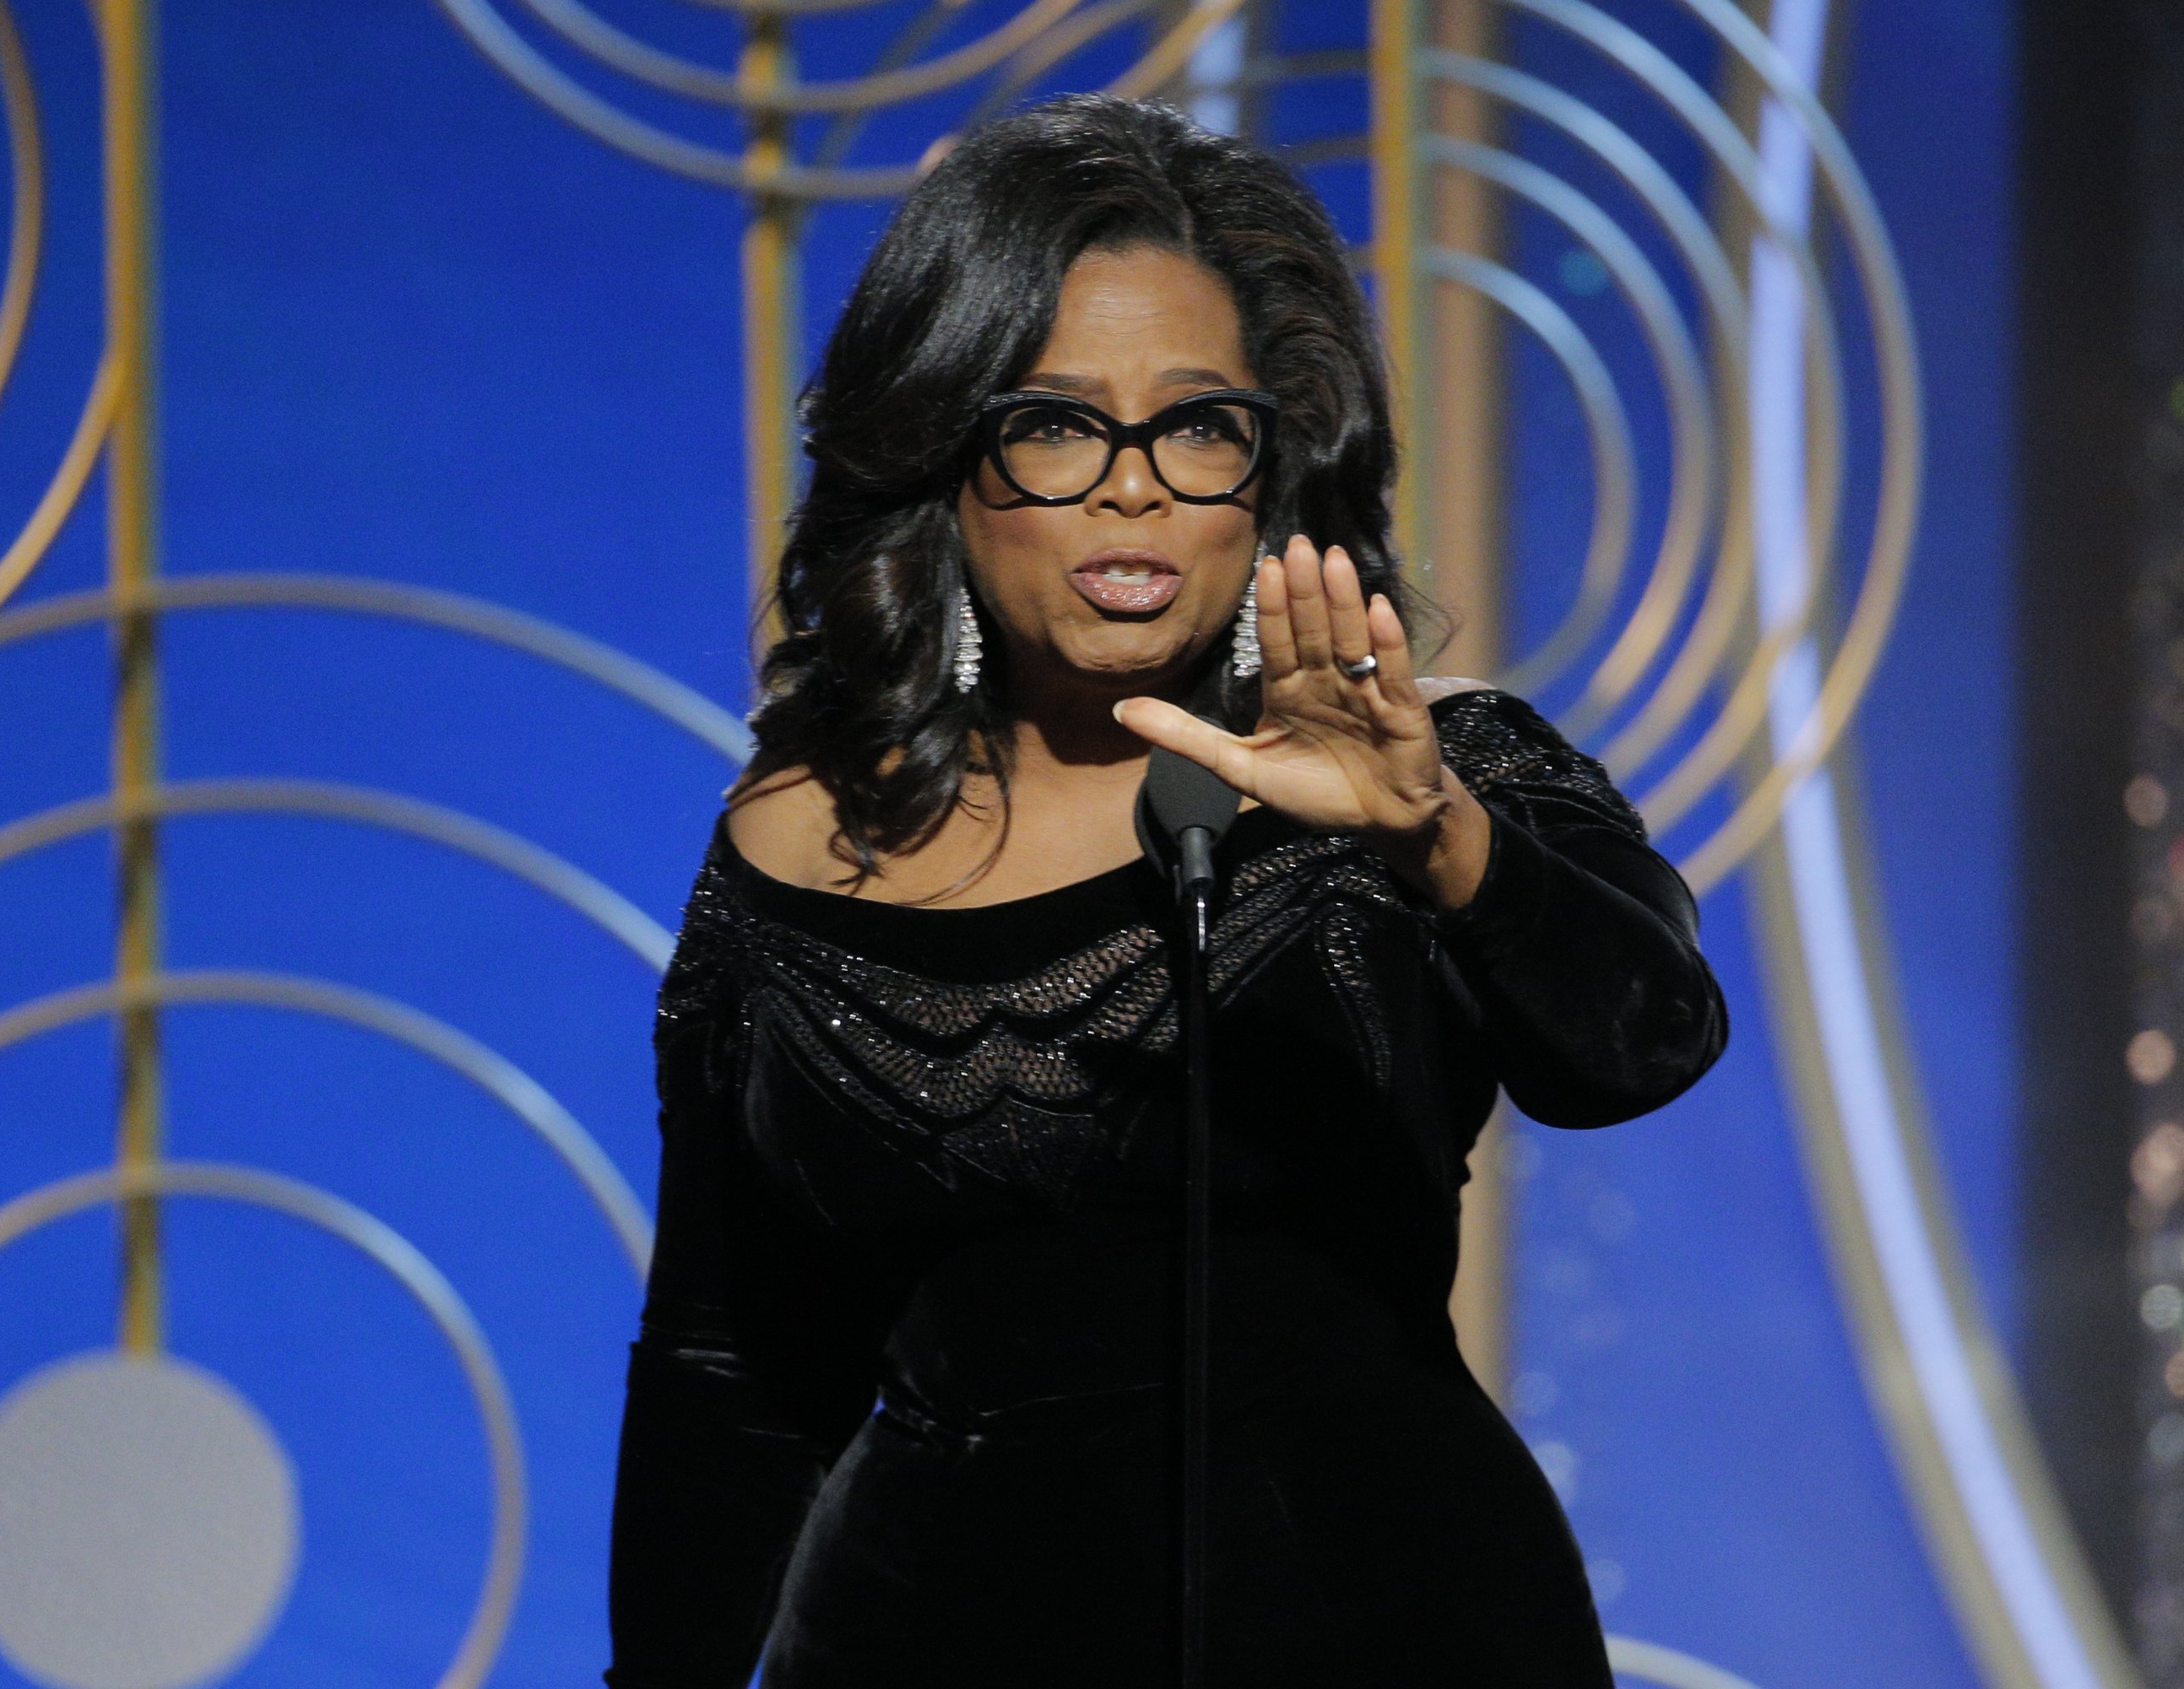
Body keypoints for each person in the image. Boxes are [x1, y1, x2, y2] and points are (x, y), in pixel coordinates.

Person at [603, 95, 1726, 1688]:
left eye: (1198, 426)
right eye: (1056, 424)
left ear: (1271, 477)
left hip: (1385, 1632)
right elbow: (732, 1370)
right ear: (944, 459)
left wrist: (1437, 836)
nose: (1133, 488)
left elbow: (1643, 1045)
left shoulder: (1435, 774)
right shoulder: (801, 840)